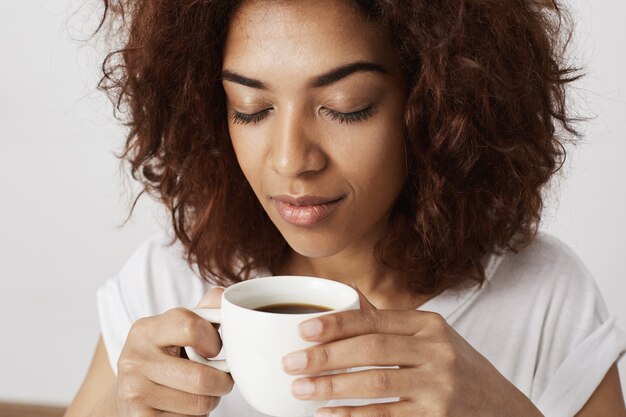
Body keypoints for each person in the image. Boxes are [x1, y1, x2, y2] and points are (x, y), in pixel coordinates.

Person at [65, 0, 626, 416]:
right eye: (251, 108)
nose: (290, 161)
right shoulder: (166, 285)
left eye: (345, 107)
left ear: (437, 103)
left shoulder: (546, 299)